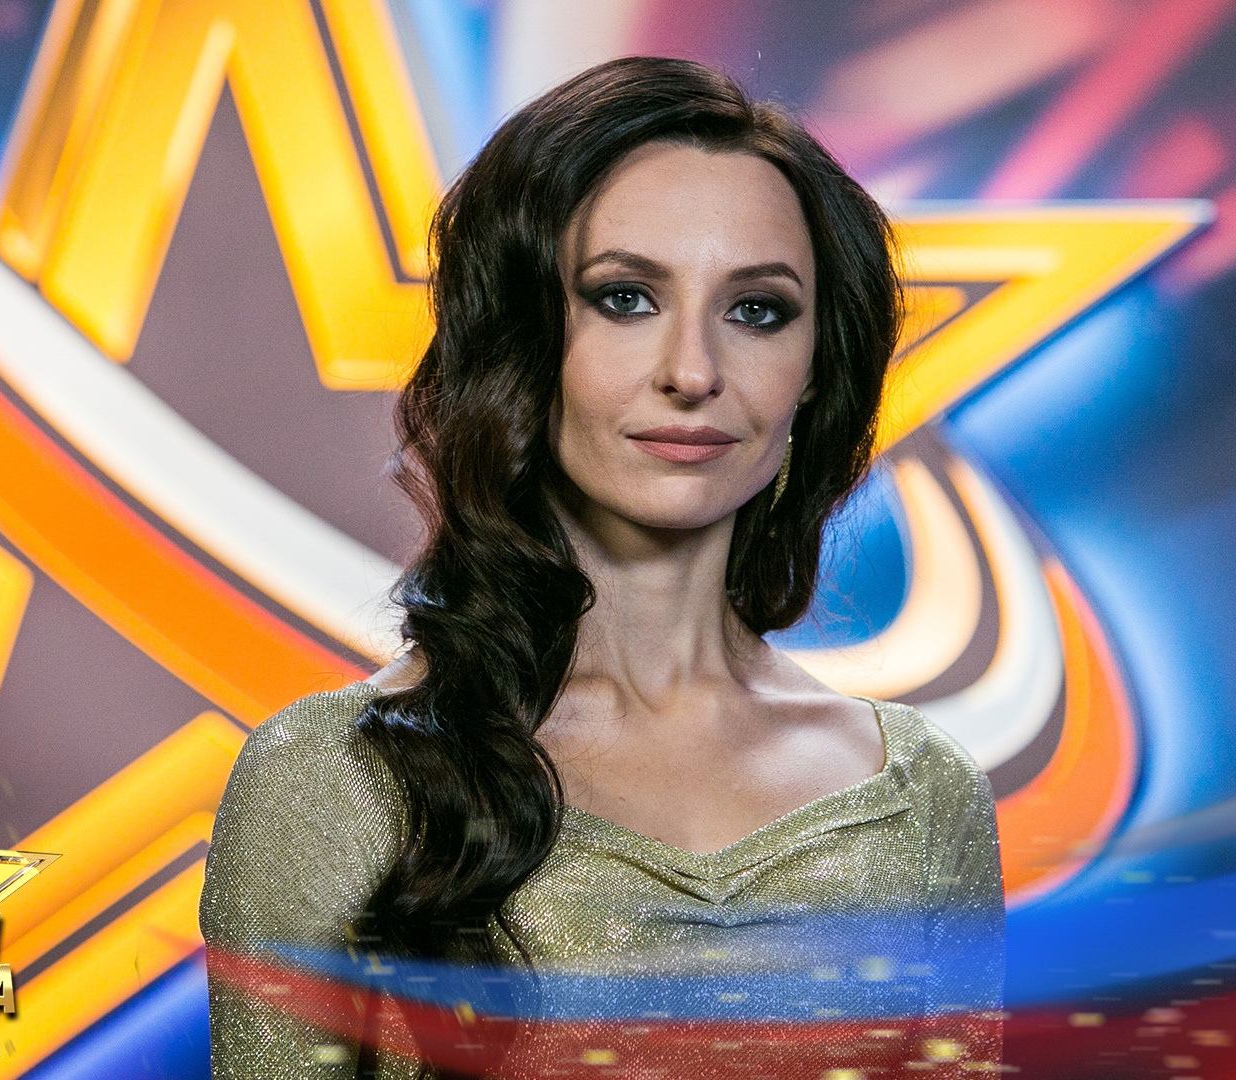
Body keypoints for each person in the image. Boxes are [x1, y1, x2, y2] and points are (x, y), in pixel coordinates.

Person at [200, 56, 1004, 1079]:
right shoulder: (332, 780)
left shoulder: (920, 798)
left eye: (757, 310)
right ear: (522, 342)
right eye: (625, 299)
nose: (694, 373)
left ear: (814, 373)